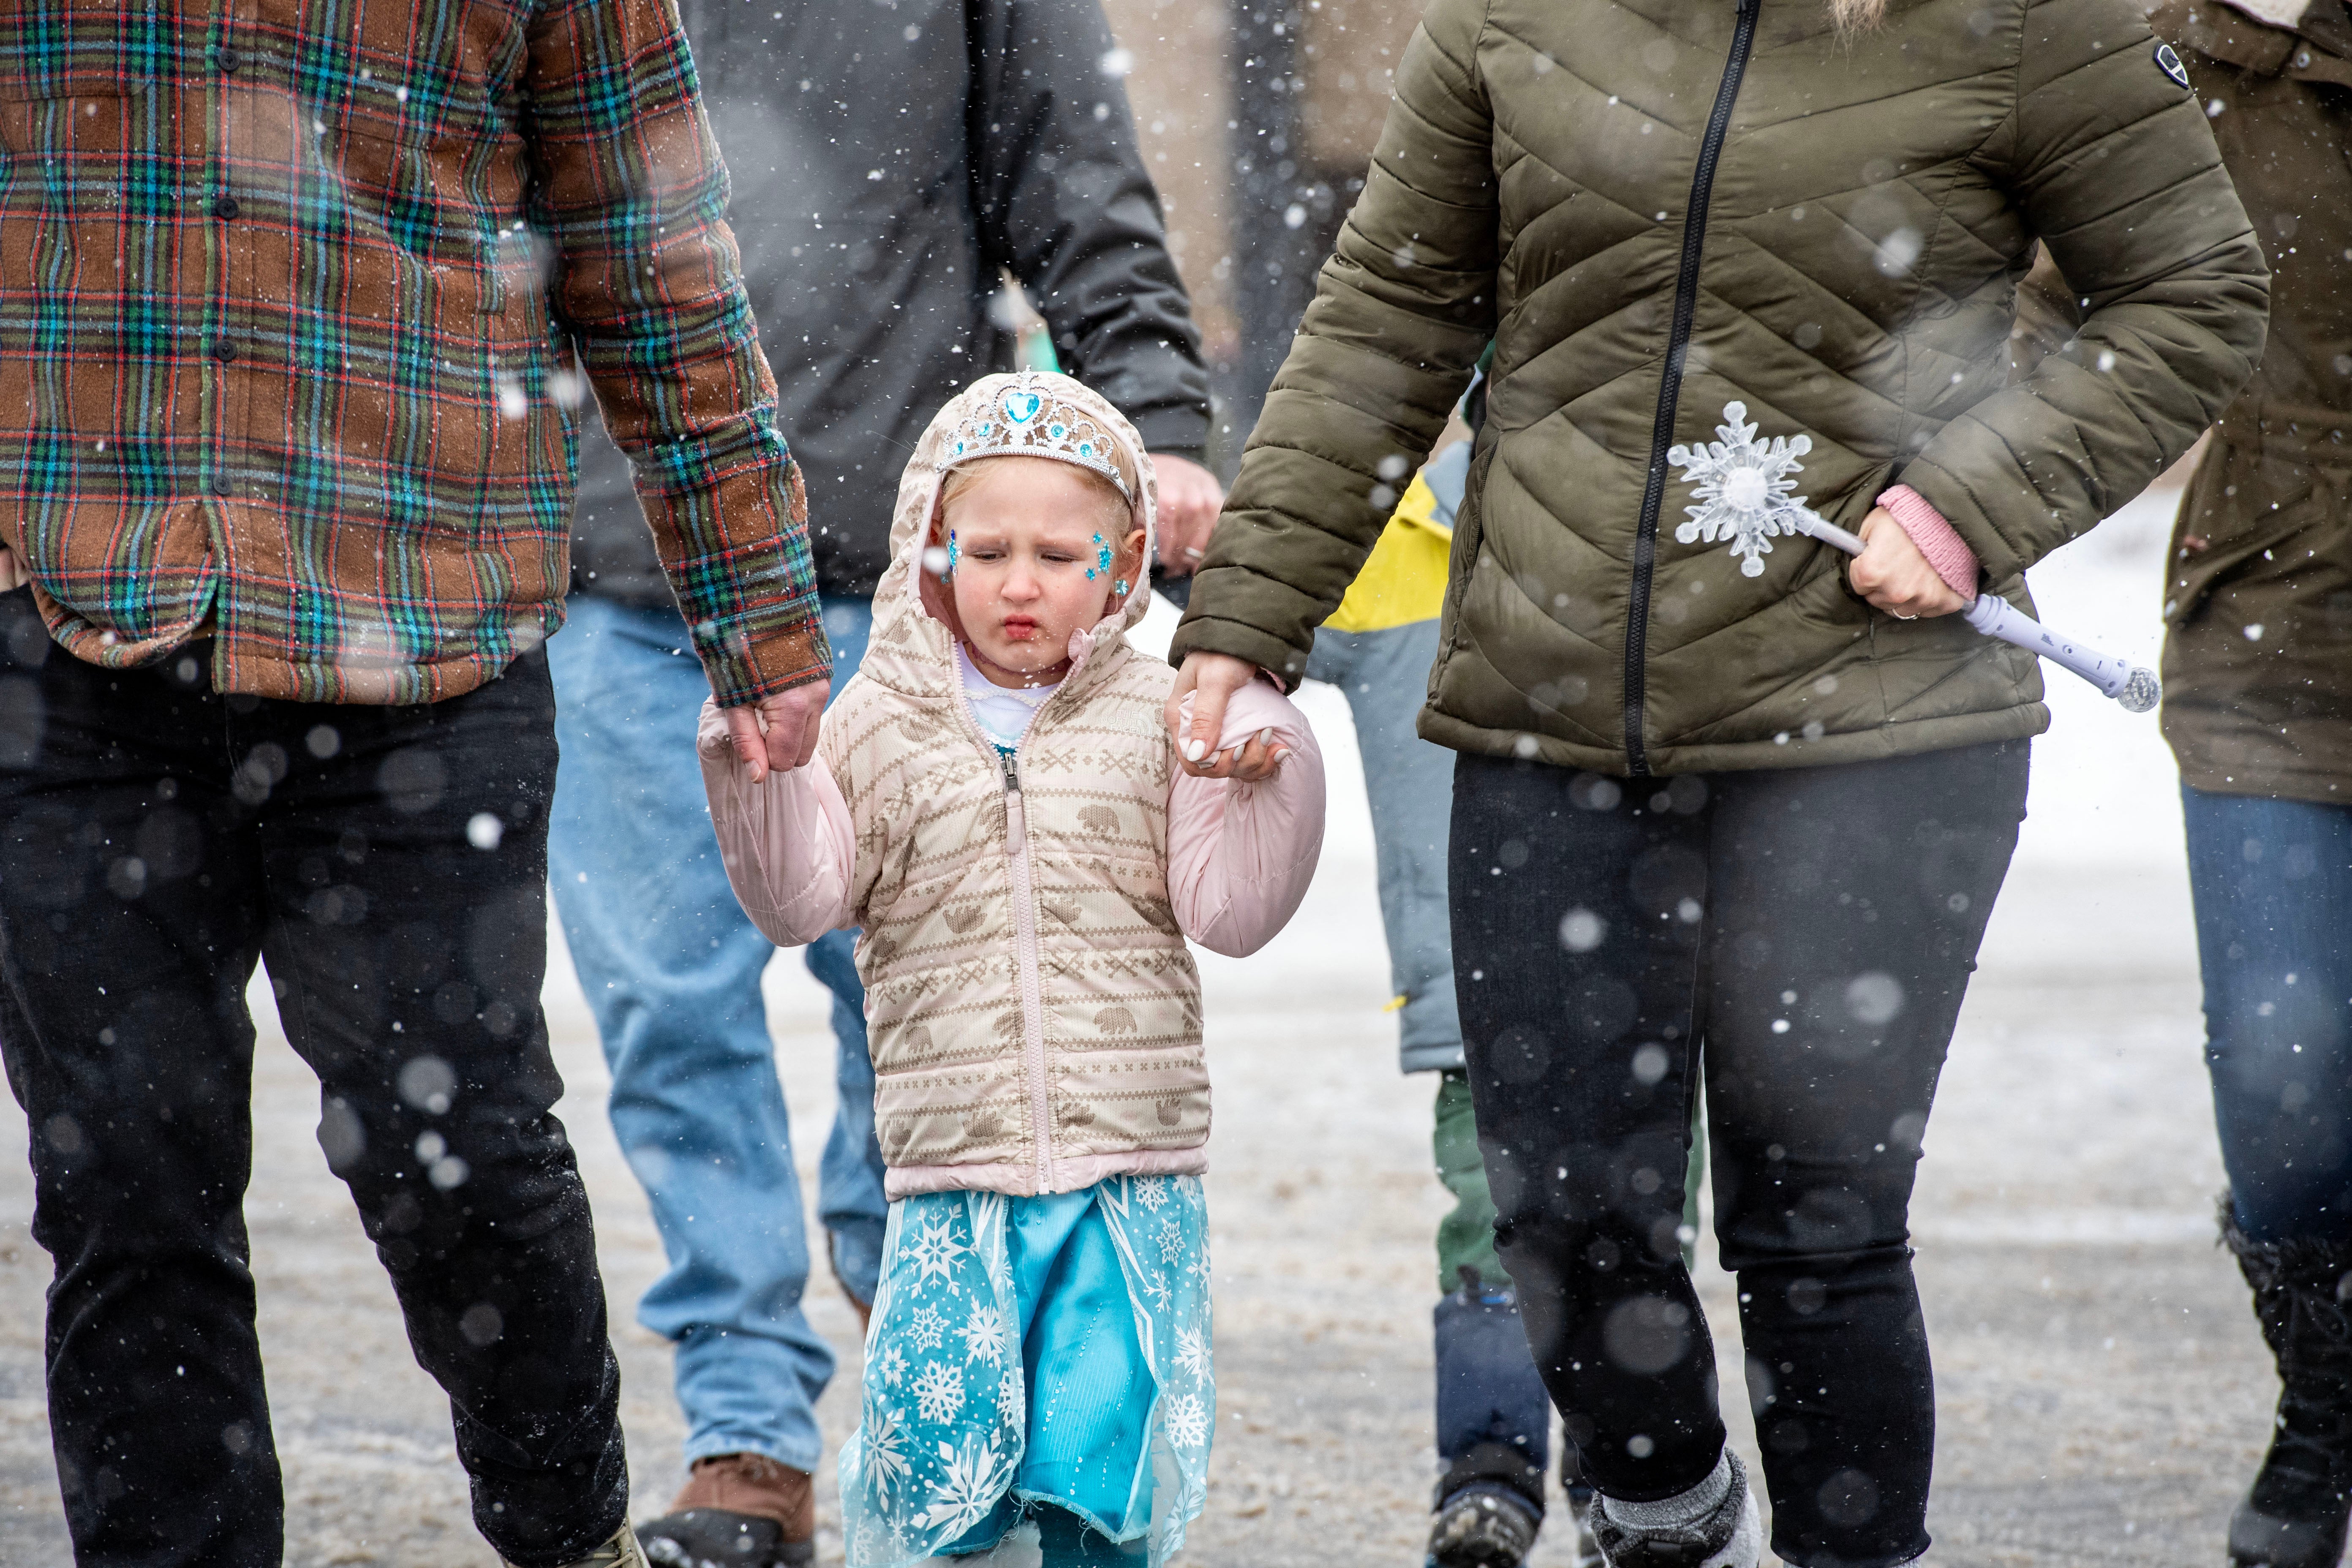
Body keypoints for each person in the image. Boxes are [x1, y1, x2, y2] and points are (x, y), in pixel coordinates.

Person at [1165, 0, 2270, 1558]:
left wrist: (1969, 503)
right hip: (1550, 714)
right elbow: (1384, 324)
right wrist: (1251, 621)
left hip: (1875, 729)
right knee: (1563, 1219)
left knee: (1818, 1237)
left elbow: (2194, 293)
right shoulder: (1508, 18)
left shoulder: (2023, 20)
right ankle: (1665, 1503)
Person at [0, 2, 825, 1565]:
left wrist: (757, 616)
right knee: (123, 1188)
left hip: (424, 621)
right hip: (64, 608)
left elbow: (649, 251)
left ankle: (562, 1538)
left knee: (464, 1165)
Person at [546, 6, 1218, 1557]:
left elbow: (1078, 184)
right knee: (669, 1021)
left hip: (909, 578)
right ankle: (745, 1430)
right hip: (617, 561)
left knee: (930, 1004)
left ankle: (933, 1343)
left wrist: (1162, 420)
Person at [696, 370, 1324, 1567]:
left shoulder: (1164, 714)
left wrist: (1276, 763)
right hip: (953, 1180)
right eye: (986, 551)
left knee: (1098, 1474)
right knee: (945, 1475)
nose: (1020, 582)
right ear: (932, 550)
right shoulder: (875, 720)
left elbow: (1230, 911)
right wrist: (754, 775)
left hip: (1125, 1180)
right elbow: (799, 900)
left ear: (1126, 559)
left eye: (1058, 552)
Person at [2143, 0, 2352, 1562]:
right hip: (2272, 629)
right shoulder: (2172, 65)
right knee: (2282, 1078)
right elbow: (2065, 319)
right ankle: (2329, 1400)